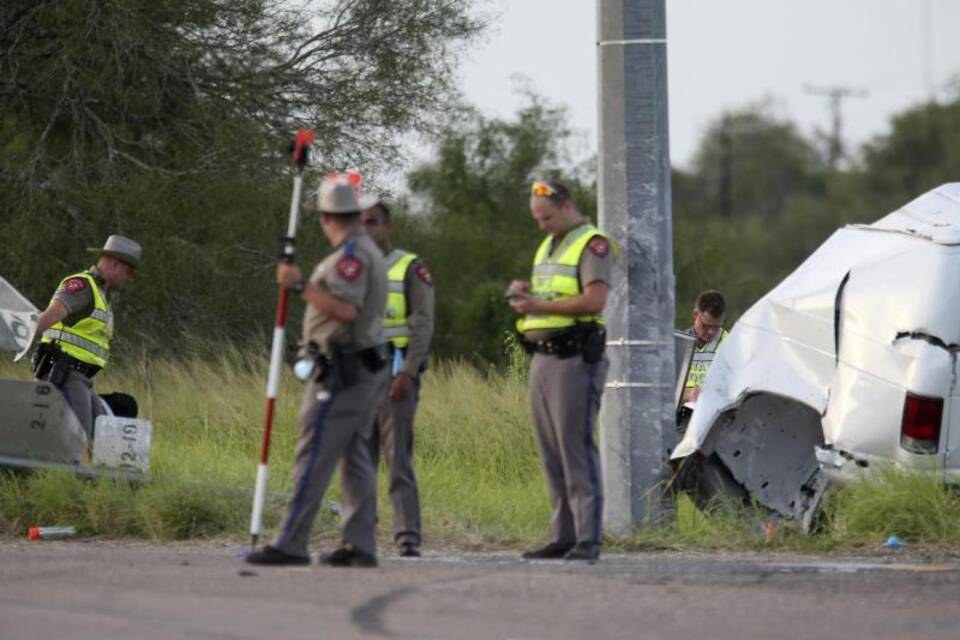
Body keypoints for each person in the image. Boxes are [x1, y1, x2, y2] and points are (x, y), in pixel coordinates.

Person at [246, 173, 389, 568]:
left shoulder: (351, 257)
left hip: (343, 371)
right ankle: (359, 544)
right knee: (354, 456)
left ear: (327, 217)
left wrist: (298, 285)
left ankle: (291, 541)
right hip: (358, 369)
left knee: (314, 453)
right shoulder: (358, 251)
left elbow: (346, 310)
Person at [508, 180, 617, 564]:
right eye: (537, 219)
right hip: (543, 357)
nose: (542, 225)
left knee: (574, 446)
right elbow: (552, 294)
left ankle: (588, 538)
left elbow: (595, 299)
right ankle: (563, 534)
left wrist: (536, 304)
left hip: (575, 358)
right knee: (550, 449)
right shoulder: (549, 244)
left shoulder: (592, 244)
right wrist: (525, 294)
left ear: (568, 206)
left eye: (547, 217)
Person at [360, 199, 435, 558]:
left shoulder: (408, 266)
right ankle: (358, 533)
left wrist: (408, 372)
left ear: (387, 227)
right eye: (359, 222)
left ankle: (407, 536)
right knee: (358, 459)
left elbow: (423, 323)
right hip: (356, 375)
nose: (365, 229)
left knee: (397, 458)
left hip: (395, 374)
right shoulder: (349, 267)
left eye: (372, 222)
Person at [31, 235, 141, 440]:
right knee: (79, 438)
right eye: (129, 272)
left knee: (98, 436)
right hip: (63, 375)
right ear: (115, 264)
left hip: (82, 379)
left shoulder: (102, 296)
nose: (130, 278)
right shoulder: (82, 286)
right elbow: (49, 316)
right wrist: (22, 335)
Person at [681, 290, 729, 405]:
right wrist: (688, 394)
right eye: (706, 326)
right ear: (695, 315)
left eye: (716, 327)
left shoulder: (730, 345)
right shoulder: (680, 343)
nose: (711, 332)